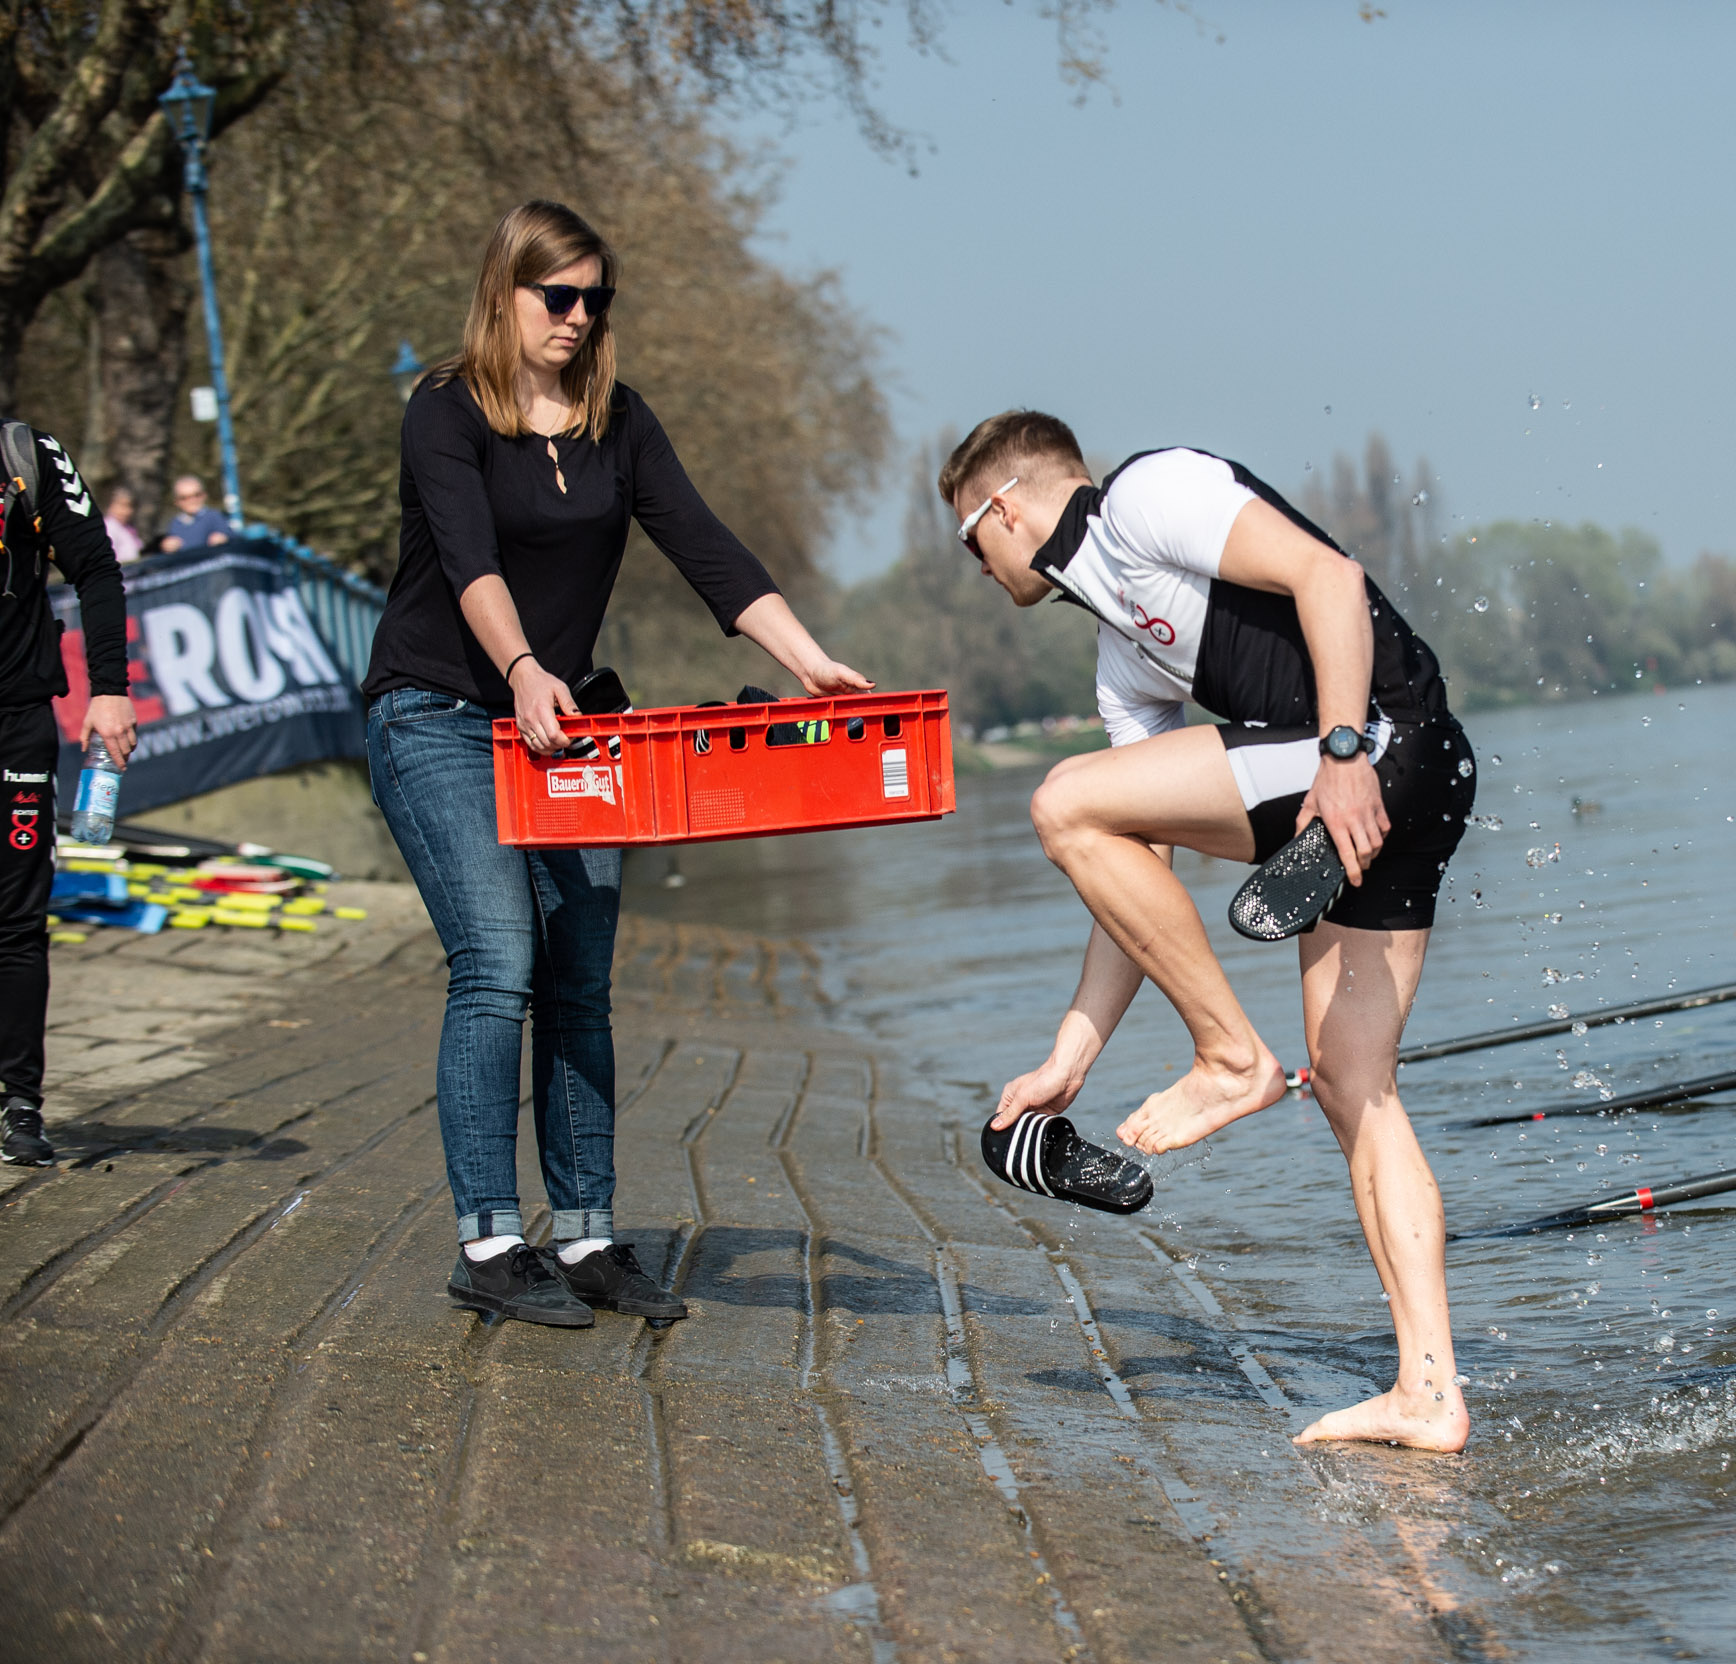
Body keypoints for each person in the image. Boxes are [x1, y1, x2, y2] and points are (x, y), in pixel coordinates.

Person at [364, 201, 871, 1326]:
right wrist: (523, 664)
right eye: (560, 297)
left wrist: (810, 662)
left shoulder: (617, 420)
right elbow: (468, 558)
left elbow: (706, 547)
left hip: (573, 730)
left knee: (580, 979)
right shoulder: (444, 410)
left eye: (598, 299)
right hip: (440, 715)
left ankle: (588, 1234)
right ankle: (490, 1241)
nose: (581, 318)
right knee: (497, 958)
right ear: (507, 292)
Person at [945, 412, 1475, 1451]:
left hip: (1375, 747)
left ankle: (1231, 1058)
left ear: (1002, 505)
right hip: (1404, 772)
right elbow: (1132, 872)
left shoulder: (1147, 496)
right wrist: (1072, 1052)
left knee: (1060, 800)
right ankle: (1428, 1389)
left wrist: (1337, 754)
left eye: (971, 544)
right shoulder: (1121, 666)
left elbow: (1331, 576)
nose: (976, 569)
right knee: (1350, 1080)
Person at [0, 423, 136, 1164]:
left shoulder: (24, 455)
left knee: (16, 920)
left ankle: (20, 1103)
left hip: (16, 717)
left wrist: (109, 690)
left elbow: (98, 572)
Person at [156, 474, 231, 552]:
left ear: (204, 495)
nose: (192, 501)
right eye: (184, 498)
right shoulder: (175, 523)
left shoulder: (214, 516)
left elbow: (230, 537)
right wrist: (168, 546)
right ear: (176, 501)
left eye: (196, 495)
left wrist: (222, 539)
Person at [102, 486, 144, 564]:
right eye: (122, 506)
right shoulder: (109, 528)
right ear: (110, 505)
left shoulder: (128, 528)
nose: (127, 511)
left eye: (130, 506)